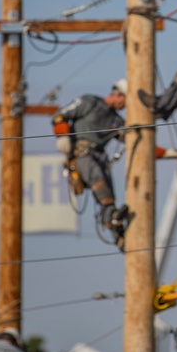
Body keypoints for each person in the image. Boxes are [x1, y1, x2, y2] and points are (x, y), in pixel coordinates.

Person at [52, 80, 132, 245]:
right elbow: (60, 115)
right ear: (118, 94)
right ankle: (112, 218)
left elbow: (135, 141)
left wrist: (164, 152)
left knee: (109, 193)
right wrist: (62, 135)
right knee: (98, 180)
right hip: (82, 153)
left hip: (100, 157)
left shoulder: (116, 121)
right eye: (125, 101)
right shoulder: (90, 102)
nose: (125, 106)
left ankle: (115, 228)